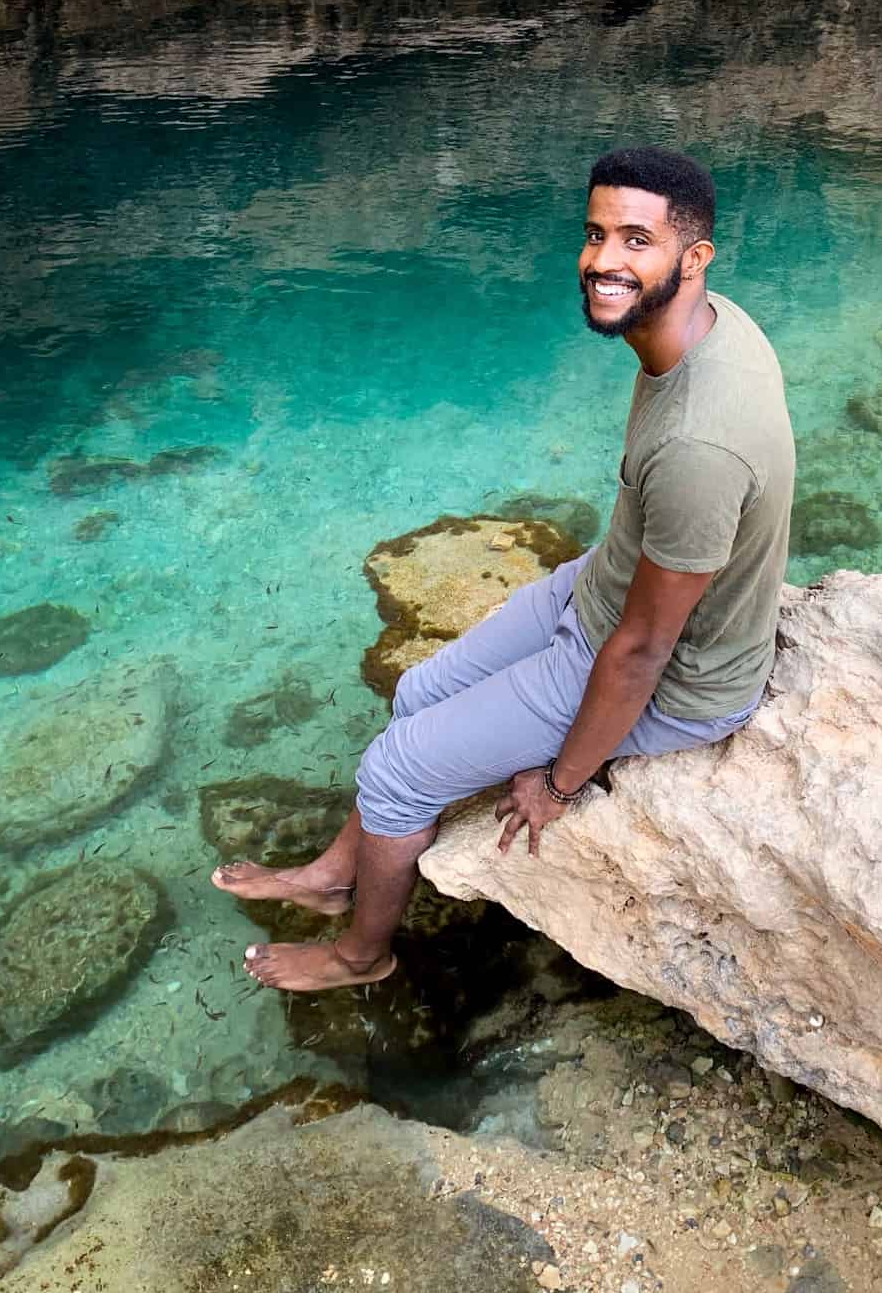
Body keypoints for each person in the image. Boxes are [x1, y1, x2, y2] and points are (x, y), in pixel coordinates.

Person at [214, 145, 795, 991]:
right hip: (604, 593)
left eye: (637, 240)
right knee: (414, 694)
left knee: (396, 769)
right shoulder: (707, 326)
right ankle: (340, 876)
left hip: (671, 674)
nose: (603, 260)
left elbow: (641, 653)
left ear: (694, 258)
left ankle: (360, 956)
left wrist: (561, 784)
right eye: (596, 234)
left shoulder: (701, 444)